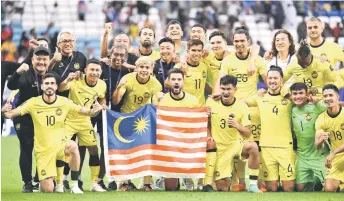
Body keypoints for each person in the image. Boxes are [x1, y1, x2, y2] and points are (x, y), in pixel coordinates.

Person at [2, 73, 103, 194]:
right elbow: (11, 114)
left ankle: (74, 184)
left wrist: (95, 110)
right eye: (47, 83)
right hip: (43, 151)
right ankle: (47, 182)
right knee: (48, 189)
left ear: (56, 87)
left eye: (52, 83)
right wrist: (3, 111)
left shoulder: (64, 102)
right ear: (42, 86)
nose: (49, 86)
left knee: (73, 147)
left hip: (61, 145)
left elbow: (88, 112)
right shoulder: (33, 103)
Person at [213, 26, 267, 192]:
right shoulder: (228, 61)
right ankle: (241, 181)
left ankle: (259, 182)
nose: (239, 44)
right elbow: (221, 80)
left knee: (256, 146)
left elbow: (269, 82)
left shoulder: (257, 60)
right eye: (236, 41)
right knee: (235, 146)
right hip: (233, 109)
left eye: (242, 41)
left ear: (248, 42)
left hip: (253, 111)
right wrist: (216, 93)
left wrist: (263, 92)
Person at [6, 47, 59, 193]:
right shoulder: (25, 74)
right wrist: (17, 72)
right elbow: (11, 85)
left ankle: (39, 178)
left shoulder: (52, 76)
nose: (41, 62)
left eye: (44, 59)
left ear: (49, 61)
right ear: (33, 60)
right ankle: (27, 183)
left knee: (45, 148)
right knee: (26, 146)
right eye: (38, 59)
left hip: (43, 118)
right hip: (23, 116)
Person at [203, 75, 262, 193]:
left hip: (235, 144)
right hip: (219, 148)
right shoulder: (211, 102)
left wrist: (237, 125)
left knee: (253, 147)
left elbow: (248, 132)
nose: (225, 92)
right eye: (223, 89)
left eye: (228, 89)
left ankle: (253, 185)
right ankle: (228, 176)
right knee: (223, 188)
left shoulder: (242, 106)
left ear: (235, 89)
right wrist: (209, 135)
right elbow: (206, 123)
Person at [113, 56, 162, 191]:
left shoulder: (156, 84)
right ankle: (123, 182)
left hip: (144, 120)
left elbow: (154, 105)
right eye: (141, 67)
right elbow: (116, 101)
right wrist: (119, 89)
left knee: (147, 151)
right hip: (127, 118)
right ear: (136, 68)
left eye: (147, 67)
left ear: (151, 69)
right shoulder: (127, 79)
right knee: (125, 151)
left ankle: (146, 182)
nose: (144, 70)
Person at [58, 59, 107, 192]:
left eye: (97, 70)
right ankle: (60, 182)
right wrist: (67, 80)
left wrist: (102, 105)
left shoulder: (102, 85)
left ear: (101, 72)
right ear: (85, 70)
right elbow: (61, 88)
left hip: (85, 120)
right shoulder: (76, 80)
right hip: (69, 119)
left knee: (94, 149)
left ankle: (94, 183)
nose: (94, 72)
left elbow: (102, 97)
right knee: (62, 149)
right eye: (92, 69)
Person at [246, 66, 295, 192]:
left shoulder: (289, 98)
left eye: (275, 78)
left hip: (285, 146)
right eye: (270, 78)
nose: (272, 81)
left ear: (281, 80)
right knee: (271, 189)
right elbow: (240, 102)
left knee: (289, 188)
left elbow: (304, 98)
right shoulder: (260, 97)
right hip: (267, 146)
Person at [157, 68, 200, 191]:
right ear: (169, 82)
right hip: (169, 143)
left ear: (183, 81)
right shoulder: (162, 100)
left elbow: (198, 122)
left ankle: (189, 176)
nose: (176, 82)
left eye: (179, 79)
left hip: (187, 142)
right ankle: (163, 175)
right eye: (173, 79)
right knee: (170, 188)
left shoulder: (193, 100)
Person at [289, 82, 327, 191]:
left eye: (301, 93)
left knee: (329, 188)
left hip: (319, 155)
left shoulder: (316, 106)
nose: (298, 96)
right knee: (300, 189)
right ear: (291, 96)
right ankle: (313, 181)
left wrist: (318, 100)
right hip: (302, 156)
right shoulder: (291, 108)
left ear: (307, 94)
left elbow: (332, 106)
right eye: (295, 94)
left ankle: (317, 180)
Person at [315, 84, 344, 192]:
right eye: (325, 96)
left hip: (335, 154)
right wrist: (320, 142)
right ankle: (339, 187)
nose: (328, 98)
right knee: (329, 189)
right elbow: (317, 147)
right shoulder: (321, 119)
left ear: (338, 97)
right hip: (337, 158)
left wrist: (333, 153)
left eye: (330, 95)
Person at [174, 39, 209, 107]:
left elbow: (203, 83)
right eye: (193, 50)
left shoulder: (204, 66)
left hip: (201, 108)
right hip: (184, 108)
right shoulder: (179, 67)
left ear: (202, 52)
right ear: (187, 51)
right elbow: (167, 83)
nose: (196, 53)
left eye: (199, 51)